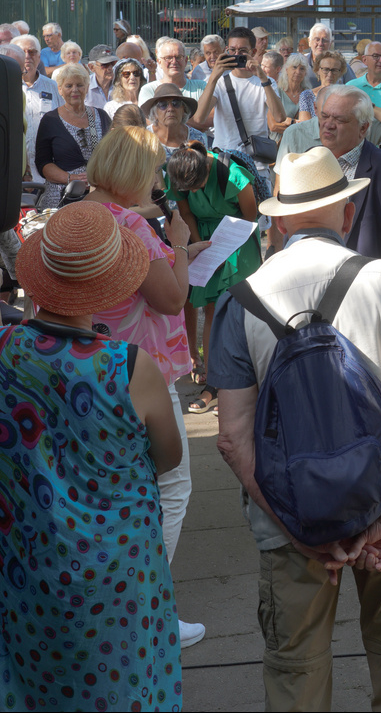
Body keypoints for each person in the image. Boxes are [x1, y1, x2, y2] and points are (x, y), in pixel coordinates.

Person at [208, 146, 381, 712]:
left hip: (288, 515)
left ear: (279, 220)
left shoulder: (240, 301)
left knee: (297, 670)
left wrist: (297, 532)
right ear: (346, 214)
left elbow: (233, 439)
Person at [0, 201, 184, 711]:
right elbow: (167, 458)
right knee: (121, 687)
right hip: (115, 576)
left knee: (25, 687)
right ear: (112, 281)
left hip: (19, 564)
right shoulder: (129, 367)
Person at [78, 126, 209, 646]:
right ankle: (146, 606)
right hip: (137, 368)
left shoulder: (76, 212)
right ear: (133, 172)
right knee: (171, 483)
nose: (157, 181)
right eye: (152, 170)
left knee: (110, 487)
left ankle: (108, 601)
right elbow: (172, 300)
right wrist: (178, 245)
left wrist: (176, 251)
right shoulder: (131, 223)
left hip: (86, 362)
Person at [165, 143, 262, 415]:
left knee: (240, 309)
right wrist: (202, 247)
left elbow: (250, 214)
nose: (193, 192)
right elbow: (185, 213)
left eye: (198, 186)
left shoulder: (232, 173)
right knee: (212, 309)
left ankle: (248, 382)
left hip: (237, 237)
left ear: (207, 167)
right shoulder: (179, 173)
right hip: (205, 241)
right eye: (188, 189)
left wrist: (226, 246)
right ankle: (215, 383)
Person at [319, 85, 381, 280]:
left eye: (339, 119)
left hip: (367, 294)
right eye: (324, 116)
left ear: (364, 128)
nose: (328, 124)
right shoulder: (311, 162)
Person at [193, 26, 284, 173]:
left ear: (253, 52)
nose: (236, 55)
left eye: (242, 51)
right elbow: (199, 117)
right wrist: (214, 77)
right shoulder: (219, 81)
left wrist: (262, 77)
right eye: (232, 50)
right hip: (224, 162)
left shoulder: (266, 82)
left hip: (256, 164)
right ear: (226, 51)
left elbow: (279, 117)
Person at [35, 63, 111, 207]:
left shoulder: (101, 116)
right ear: (60, 89)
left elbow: (113, 154)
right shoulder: (50, 120)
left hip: (98, 193)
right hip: (62, 195)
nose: (74, 90)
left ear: (87, 87)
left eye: (80, 85)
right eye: (69, 86)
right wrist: (72, 178)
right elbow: (43, 164)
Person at [13, 34, 63, 192]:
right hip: (16, 172)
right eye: (23, 52)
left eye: (32, 52)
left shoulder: (52, 86)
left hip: (47, 171)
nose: (27, 56)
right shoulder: (8, 85)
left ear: (39, 56)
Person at [143, 84, 205, 157]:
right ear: (154, 113)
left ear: (184, 110)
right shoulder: (144, 138)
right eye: (163, 105)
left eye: (176, 103)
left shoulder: (198, 138)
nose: (170, 109)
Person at [272, 53, 315, 136]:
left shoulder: (308, 94)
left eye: (302, 69)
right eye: (294, 67)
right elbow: (273, 126)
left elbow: (310, 125)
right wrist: (296, 122)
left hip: (301, 142)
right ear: (287, 70)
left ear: (305, 73)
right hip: (279, 143)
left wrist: (289, 121)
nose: (298, 72)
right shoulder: (276, 92)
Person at [139, 37, 191, 104]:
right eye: (168, 58)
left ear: (186, 61)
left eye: (178, 57)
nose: (174, 61)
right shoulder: (148, 90)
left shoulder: (200, 87)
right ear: (159, 62)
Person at [84, 44, 118, 110]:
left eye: (112, 63)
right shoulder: (84, 86)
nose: (110, 68)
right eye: (105, 65)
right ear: (92, 67)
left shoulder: (121, 84)